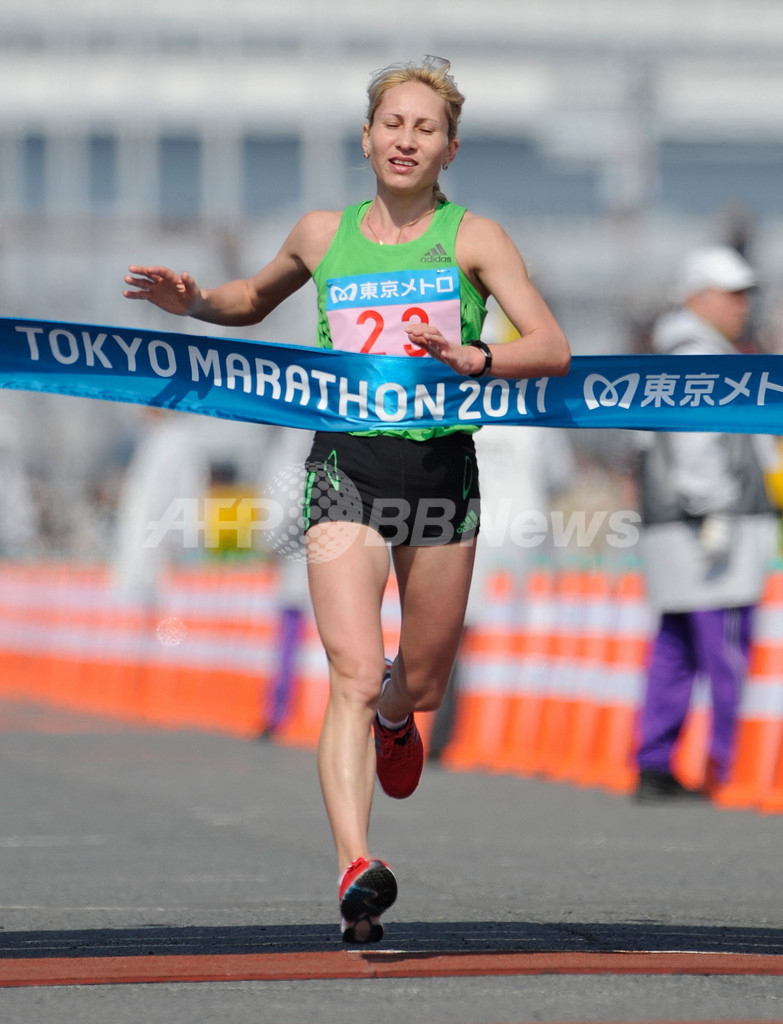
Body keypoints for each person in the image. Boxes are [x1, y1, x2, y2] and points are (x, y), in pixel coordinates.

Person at [123, 56, 570, 942]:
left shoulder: (475, 239)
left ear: (449, 149)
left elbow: (551, 345)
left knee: (420, 680)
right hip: (344, 468)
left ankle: (400, 718)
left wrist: (476, 357)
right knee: (354, 674)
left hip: (440, 470)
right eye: (391, 125)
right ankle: (356, 867)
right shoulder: (323, 233)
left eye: (425, 129)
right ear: (366, 139)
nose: (406, 140)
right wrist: (196, 301)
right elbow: (251, 299)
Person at [633, 245, 778, 804]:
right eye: (731, 295)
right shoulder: (698, 352)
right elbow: (697, 443)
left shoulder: (669, 349)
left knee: (674, 646)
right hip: (710, 529)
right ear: (697, 297)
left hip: (674, 528)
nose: (742, 306)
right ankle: (728, 766)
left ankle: (655, 761)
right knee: (727, 650)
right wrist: (715, 509)